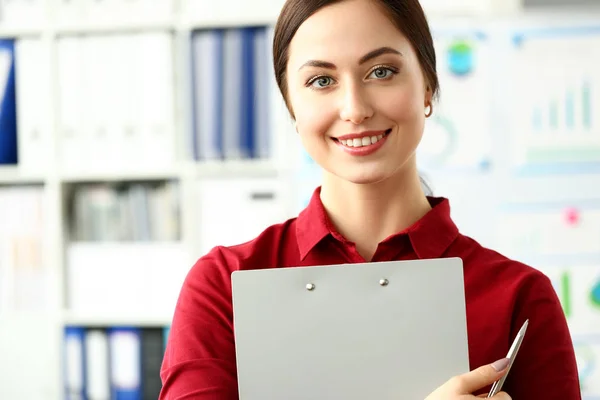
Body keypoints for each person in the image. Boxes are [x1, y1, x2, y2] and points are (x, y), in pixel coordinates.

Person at [159, 0, 582, 398]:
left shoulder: (519, 297)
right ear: (291, 106)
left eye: (381, 71)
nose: (355, 108)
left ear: (428, 86)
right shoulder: (222, 287)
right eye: (321, 81)